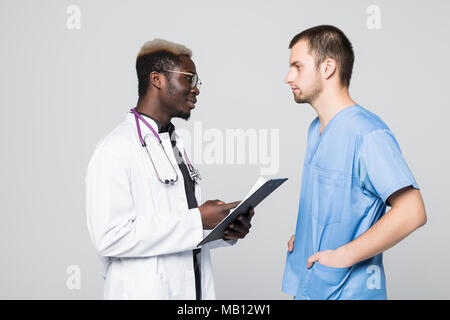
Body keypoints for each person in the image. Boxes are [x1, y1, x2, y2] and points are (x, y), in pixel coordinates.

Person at [86, 39, 254, 300]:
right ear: (157, 79)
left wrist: (222, 230)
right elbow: (109, 237)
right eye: (189, 78)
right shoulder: (114, 149)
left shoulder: (174, 143)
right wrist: (197, 219)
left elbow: (179, 226)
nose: (196, 89)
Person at [282, 25, 427, 300]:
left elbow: (412, 211)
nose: (288, 77)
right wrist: (306, 238)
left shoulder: (367, 133)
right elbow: (343, 205)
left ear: (327, 68)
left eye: (297, 67)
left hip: (350, 292)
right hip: (312, 287)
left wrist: (344, 255)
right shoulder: (316, 130)